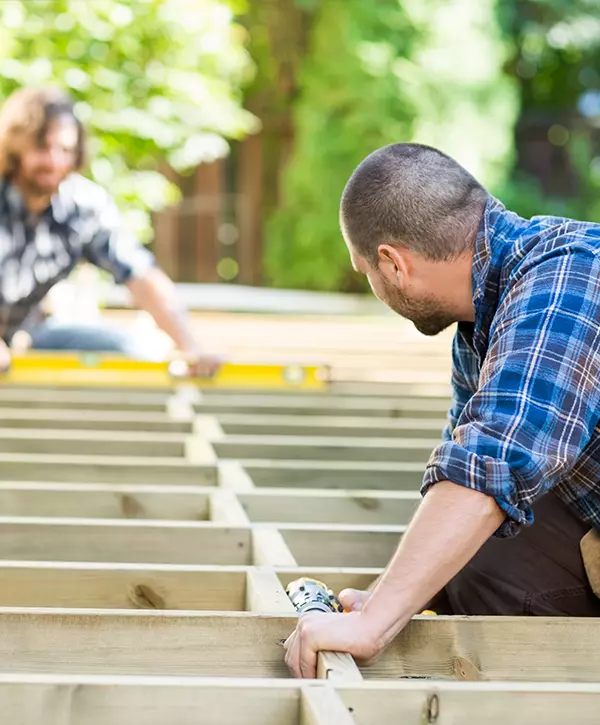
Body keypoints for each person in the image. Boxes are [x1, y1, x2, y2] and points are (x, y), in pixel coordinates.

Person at [284, 142, 600, 679]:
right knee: (477, 548)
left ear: (393, 263)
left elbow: (494, 460)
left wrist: (374, 624)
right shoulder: (482, 326)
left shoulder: (572, 278)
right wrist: (390, 600)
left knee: (487, 527)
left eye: (367, 272)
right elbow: (460, 480)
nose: (375, 284)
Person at [0, 85, 220, 375]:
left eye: (65, 150)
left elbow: (140, 273)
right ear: (16, 146)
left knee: (134, 350)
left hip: (20, 337)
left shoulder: (82, 207)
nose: (54, 161)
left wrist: (190, 345)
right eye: (42, 148)